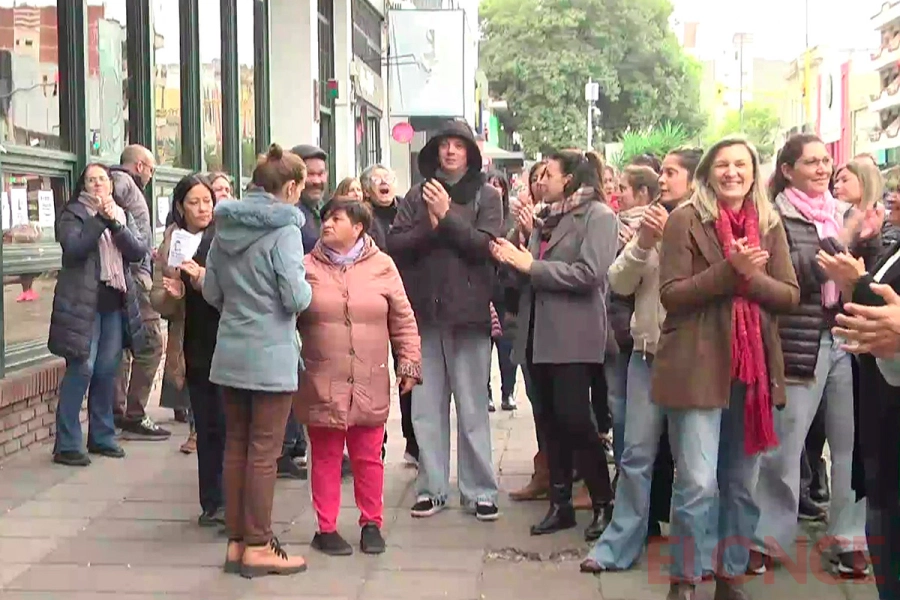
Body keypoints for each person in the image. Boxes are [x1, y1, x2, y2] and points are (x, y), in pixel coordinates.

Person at [651, 137, 799, 600]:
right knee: (696, 483)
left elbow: (790, 296)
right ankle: (686, 580)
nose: (732, 172)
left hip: (752, 374)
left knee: (740, 485)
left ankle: (730, 577)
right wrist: (730, 272)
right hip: (695, 366)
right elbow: (671, 295)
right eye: (723, 164)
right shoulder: (684, 220)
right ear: (709, 173)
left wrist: (750, 278)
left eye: (742, 164)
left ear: (755, 172)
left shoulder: (770, 223)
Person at [749, 136, 870, 578]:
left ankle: (850, 538)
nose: (822, 169)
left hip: (848, 339)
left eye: (826, 161)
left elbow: (866, 277)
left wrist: (862, 243)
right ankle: (766, 538)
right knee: (783, 447)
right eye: (811, 162)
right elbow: (797, 273)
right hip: (800, 343)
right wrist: (845, 240)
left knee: (850, 445)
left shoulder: (844, 214)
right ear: (787, 169)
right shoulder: (775, 216)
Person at [581, 147, 702, 574]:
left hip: (692, 362)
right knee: (634, 456)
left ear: (693, 179)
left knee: (695, 469)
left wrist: (669, 238)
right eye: (662, 172)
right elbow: (618, 280)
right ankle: (620, 544)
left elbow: (701, 282)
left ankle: (692, 559)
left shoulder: (704, 224)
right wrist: (644, 242)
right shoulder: (649, 221)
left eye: (671, 173)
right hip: (646, 356)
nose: (662, 179)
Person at [492, 150, 617, 542]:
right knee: (549, 424)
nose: (540, 180)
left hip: (573, 335)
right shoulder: (546, 219)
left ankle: (603, 502)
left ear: (571, 179)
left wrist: (530, 266)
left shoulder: (598, 216)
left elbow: (590, 273)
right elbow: (527, 272)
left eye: (549, 173)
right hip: (535, 333)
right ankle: (559, 504)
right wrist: (511, 259)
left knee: (577, 421)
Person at [204, 144, 312, 577]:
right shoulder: (285, 231)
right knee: (265, 452)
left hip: (229, 349)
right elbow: (295, 296)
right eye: (300, 188)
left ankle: (235, 542)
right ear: (289, 187)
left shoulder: (223, 226)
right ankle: (259, 544)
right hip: (270, 354)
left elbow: (211, 292)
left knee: (236, 446)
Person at [388, 120, 503, 521]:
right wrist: (429, 223)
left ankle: (480, 490)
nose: (450, 152)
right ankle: (432, 487)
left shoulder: (487, 196)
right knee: (425, 407)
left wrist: (448, 217)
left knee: (472, 408)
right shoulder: (416, 196)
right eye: (444, 146)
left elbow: (487, 247)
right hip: (424, 314)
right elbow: (396, 245)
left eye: (458, 145)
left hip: (469, 315)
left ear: (470, 153)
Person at [295, 198, 421, 556]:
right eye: (325, 218)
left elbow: (403, 318)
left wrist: (409, 363)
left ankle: (372, 523)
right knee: (326, 456)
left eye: (336, 218)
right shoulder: (305, 267)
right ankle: (327, 527)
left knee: (369, 456)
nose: (327, 224)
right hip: (322, 378)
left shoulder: (382, 266)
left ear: (359, 227)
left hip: (369, 378)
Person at [48, 163, 148, 466]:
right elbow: (74, 248)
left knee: (107, 370)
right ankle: (67, 443)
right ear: (82, 186)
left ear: (111, 185)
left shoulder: (121, 213)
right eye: (91, 180)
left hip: (113, 302)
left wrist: (115, 223)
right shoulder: (73, 214)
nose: (97, 185)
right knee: (82, 368)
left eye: (102, 179)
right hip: (83, 305)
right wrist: (100, 220)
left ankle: (102, 437)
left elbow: (137, 251)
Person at [150, 173, 223, 527]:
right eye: (193, 202)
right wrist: (172, 295)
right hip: (193, 343)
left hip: (226, 339)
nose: (202, 208)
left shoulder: (224, 238)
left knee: (228, 426)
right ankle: (212, 503)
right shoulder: (172, 244)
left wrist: (202, 276)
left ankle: (232, 498)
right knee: (206, 427)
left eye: (206, 201)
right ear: (180, 207)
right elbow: (158, 300)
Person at [110, 144, 169, 441]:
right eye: (151, 168)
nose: (151, 174)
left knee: (124, 347)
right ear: (139, 166)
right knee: (151, 344)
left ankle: (119, 412)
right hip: (134, 281)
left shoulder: (124, 185)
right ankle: (132, 414)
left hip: (129, 276)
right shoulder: (122, 183)